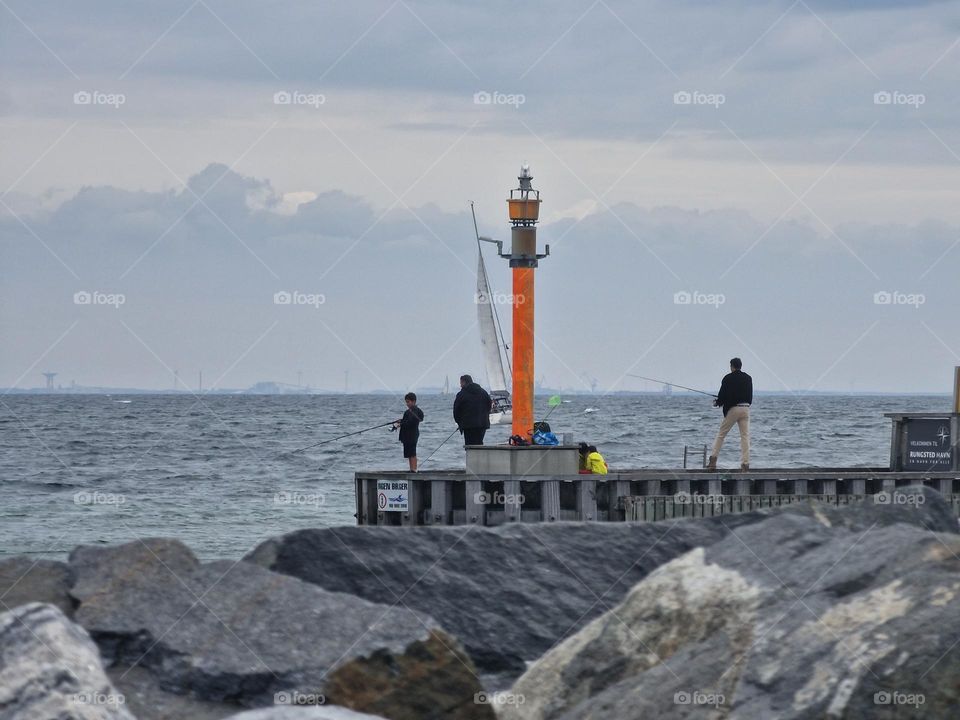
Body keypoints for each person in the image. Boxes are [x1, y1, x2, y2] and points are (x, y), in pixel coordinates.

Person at [707, 357, 753, 471]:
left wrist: (717, 402)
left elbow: (722, 396)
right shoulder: (748, 378)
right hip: (746, 408)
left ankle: (713, 461)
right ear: (740, 366)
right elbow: (750, 396)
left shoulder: (728, 378)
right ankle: (745, 464)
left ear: (732, 366)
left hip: (734, 409)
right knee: (745, 437)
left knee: (721, 434)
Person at [453, 374, 491, 446]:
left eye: (461, 383)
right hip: (482, 424)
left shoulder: (461, 394)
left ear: (464, 382)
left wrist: (459, 422)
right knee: (479, 444)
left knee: (470, 445)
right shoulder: (484, 392)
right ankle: (479, 457)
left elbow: (456, 411)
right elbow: (489, 405)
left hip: (468, 426)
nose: (460, 385)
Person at [392, 392, 424, 471]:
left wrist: (401, 424)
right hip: (407, 435)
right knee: (409, 453)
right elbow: (406, 421)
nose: (407, 404)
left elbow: (412, 422)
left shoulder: (416, 411)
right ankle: (411, 469)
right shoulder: (407, 412)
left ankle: (414, 469)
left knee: (413, 453)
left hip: (412, 435)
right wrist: (400, 422)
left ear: (413, 401)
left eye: (408, 402)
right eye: (406, 402)